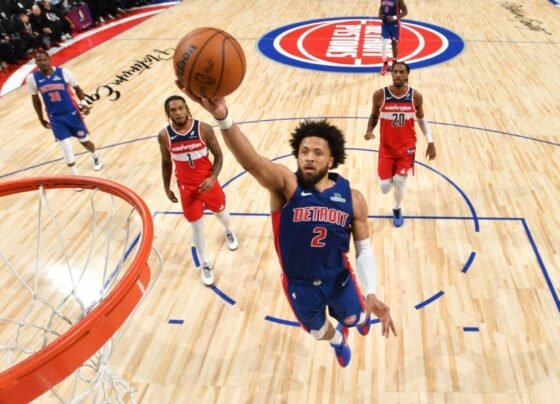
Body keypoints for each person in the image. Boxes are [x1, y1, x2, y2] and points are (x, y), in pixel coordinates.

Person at [178, 88, 397, 368]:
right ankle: (337, 341)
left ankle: (358, 319)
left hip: (338, 279)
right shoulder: (286, 186)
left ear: (331, 160)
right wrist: (223, 118)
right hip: (299, 284)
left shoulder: (352, 199)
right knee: (319, 332)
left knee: (357, 318)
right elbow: (252, 162)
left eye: (317, 153)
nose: (309, 157)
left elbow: (364, 250)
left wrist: (371, 292)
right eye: (304, 152)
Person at [158, 95, 239, 287]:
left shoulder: (204, 129)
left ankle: (228, 231)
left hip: (208, 183)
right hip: (187, 189)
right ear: (168, 114)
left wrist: (213, 178)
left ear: (187, 108)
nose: (178, 113)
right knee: (197, 227)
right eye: (173, 110)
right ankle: (205, 264)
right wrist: (166, 187)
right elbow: (166, 162)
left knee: (222, 214)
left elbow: (219, 156)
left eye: (180, 108)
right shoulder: (164, 136)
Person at [365, 61, 436, 227]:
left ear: (407, 75)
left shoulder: (415, 96)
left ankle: (397, 209)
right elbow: (374, 116)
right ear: (391, 74)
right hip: (386, 148)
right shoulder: (380, 95)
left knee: (399, 182)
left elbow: (421, 119)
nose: (398, 74)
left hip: (406, 148)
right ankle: (390, 179)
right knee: (384, 188)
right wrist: (369, 130)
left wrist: (430, 141)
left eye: (401, 72)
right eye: (395, 71)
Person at [26, 50, 102, 175]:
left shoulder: (64, 73)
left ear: (49, 59)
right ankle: (75, 176)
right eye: (39, 60)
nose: (43, 62)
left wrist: (84, 103)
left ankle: (96, 156)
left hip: (72, 114)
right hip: (55, 117)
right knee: (66, 146)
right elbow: (36, 100)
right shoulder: (32, 78)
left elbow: (77, 89)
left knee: (84, 141)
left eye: (45, 59)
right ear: (36, 62)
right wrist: (40, 118)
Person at [378, 0, 408, 76]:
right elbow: (381, 8)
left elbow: (405, 12)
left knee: (394, 45)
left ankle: (394, 63)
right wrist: (380, 15)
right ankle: (385, 64)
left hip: (395, 25)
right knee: (383, 45)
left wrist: (394, 17)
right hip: (385, 25)